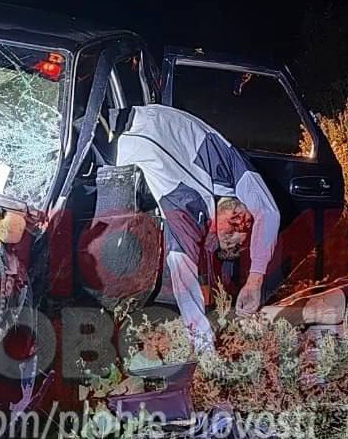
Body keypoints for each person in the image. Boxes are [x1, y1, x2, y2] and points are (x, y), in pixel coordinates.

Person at [114, 104, 280, 350]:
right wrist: (255, 279)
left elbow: (185, 278)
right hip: (129, 114)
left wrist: (203, 346)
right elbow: (268, 211)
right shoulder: (229, 167)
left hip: (111, 142)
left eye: (232, 237)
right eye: (246, 222)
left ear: (212, 237)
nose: (239, 223)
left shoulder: (189, 214)